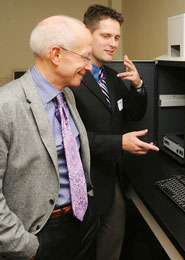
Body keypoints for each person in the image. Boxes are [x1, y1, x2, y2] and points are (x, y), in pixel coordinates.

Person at [0, 15, 97, 260]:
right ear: (56, 55)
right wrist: (25, 248)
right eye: (85, 57)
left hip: (81, 221)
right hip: (39, 233)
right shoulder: (6, 106)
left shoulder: (68, 96)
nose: (89, 66)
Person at [70, 4, 159, 260]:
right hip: (83, 184)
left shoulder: (111, 76)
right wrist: (119, 143)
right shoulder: (72, 78)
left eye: (117, 37)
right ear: (88, 34)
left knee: (112, 243)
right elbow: (73, 139)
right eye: (105, 36)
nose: (113, 44)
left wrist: (139, 85)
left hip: (112, 179)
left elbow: (132, 114)